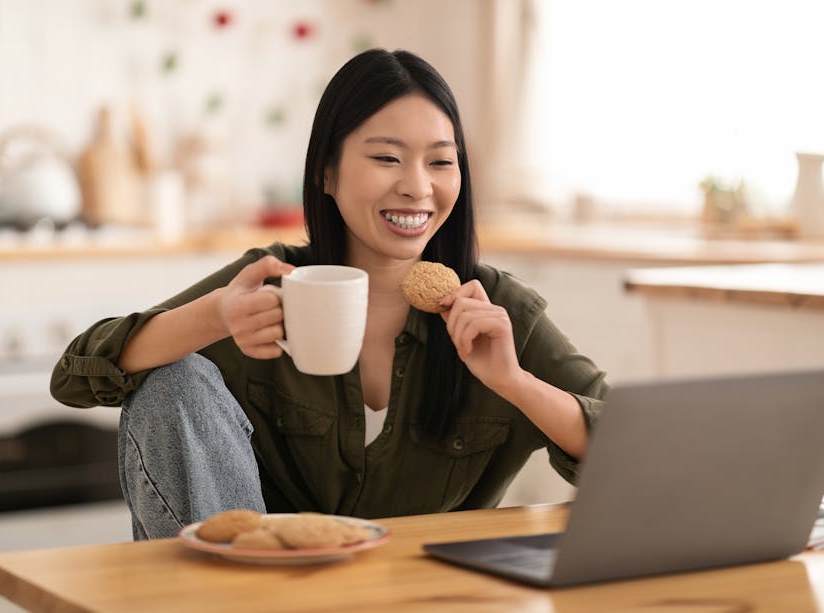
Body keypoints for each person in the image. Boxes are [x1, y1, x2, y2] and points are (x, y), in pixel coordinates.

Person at [50, 48, 607, 540]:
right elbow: (73, 378)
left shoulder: (497, 312)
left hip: (426, 601)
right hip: (258, 593)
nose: (418, 185)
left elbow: (632, 446)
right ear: (325, 173)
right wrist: (216, 316)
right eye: (387, 158)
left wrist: (514, 382)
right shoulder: (268, 284)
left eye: (441, 161)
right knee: (172, 379)